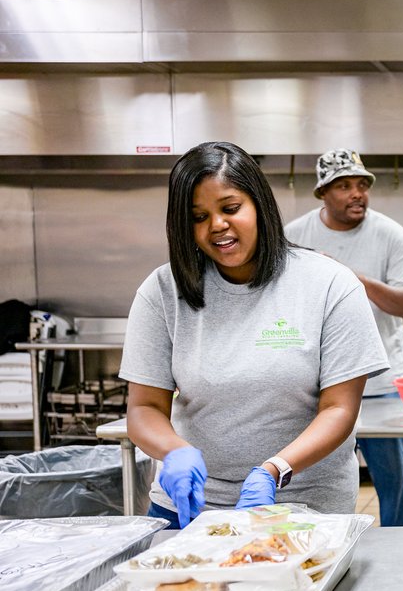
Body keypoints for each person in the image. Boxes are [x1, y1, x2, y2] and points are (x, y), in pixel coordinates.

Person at [121, 141, 389, 529]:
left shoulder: (328, 284)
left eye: (230, 208)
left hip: (302, 508)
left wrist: (275, 470)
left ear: (259, 204)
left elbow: (339, 409)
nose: (217, 225)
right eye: (198, 217)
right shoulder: (164, 291)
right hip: (189, 510)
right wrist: (175, 452)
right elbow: (144, 407)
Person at [285, 149, 403, 526]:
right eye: (344, 185)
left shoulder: (390, 234)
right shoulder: (294, 236)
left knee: (395, 487)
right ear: (322, 193)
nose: (357, 193)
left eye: (362, 185)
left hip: (382, 385)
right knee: (316, 484)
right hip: (318, 388)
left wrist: (350, 278)